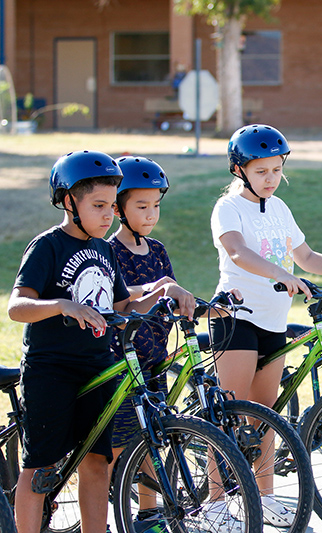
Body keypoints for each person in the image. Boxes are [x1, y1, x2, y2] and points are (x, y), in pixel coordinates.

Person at [6, 151, 188, 533]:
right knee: (40, 466)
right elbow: (17, 307)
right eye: (99, 205)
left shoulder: (104, 249)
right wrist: (61, 305)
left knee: (95, 463)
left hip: (97, 366)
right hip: (51, 369)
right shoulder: (48, 246)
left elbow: (123, 304)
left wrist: (160, 291)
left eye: (111, 205)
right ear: (70, 202)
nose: (109, 215)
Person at [209, 123, 322, 528]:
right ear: (239, 169)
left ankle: (265, 498)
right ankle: (213, 503)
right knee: (226, 415)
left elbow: (306, 256)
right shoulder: (228, 208)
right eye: (262, 171)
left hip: (273, 322)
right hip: (237, 320)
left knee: (265, 415)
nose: (271, 179)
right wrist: (279, 276)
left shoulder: (279, 209)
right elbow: (239, 252)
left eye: (277, 170)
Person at [107, 155, 195, 530]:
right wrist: (161, 288)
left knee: (151, 439)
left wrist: (211, 308)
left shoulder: (156, 250)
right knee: (115, 447)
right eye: (141, 206)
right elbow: (120, 297)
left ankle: (148, 513)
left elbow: (172, 296)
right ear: (118, 208)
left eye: (156, 205)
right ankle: (99, 515)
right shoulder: (111, 250)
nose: (151, 213)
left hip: (156, 359)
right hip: (124, 361)